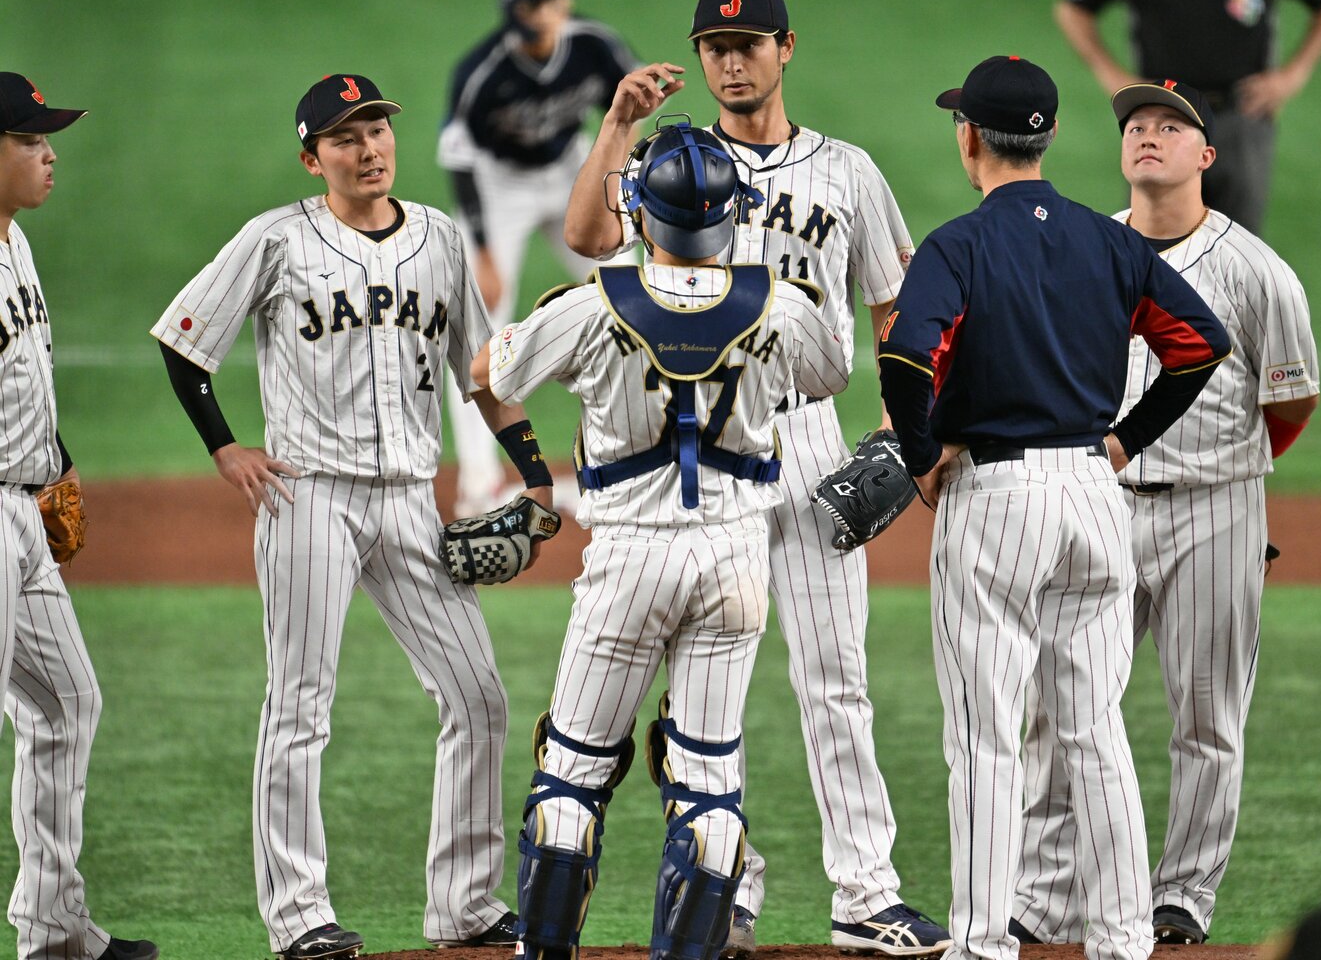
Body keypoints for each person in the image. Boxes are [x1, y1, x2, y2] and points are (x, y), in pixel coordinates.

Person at [562, 0, 949, 957]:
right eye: (714, 47)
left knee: (836, 678)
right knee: (702, 693)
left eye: (748, 44)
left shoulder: (849, 172)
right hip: (698, 444)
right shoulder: (669, 158)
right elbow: (589, 238)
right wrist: (617, 126)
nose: (730, 62)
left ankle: (866, 894)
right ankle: (722, 882)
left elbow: (894, 311)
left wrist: (901, 433)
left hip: (810, 437)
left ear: (786, 49)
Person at [152, 74, 522, 959]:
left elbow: (480, 372)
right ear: (312, 158)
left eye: (378, 130)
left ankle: (465, 905)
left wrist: (536, 472)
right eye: (346, 138)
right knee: (300, 703)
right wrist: (225, 446)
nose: (369, 149)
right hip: (308, 496)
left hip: (410, 501)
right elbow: (184, 338)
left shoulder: (439, 238)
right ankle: (298, 916)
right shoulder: (276, 239)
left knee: (478, 697)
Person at [878, 56, 1232, 960]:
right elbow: (1201, 344)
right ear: (1049, 136)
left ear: (969, 137)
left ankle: (981, 944)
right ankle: (1121, 939)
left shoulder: (958, 245)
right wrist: (1125, 438)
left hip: (995, 502)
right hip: (1094, 497)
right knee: (1095, 730)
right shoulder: (1111, 243)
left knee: (986, 738)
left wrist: (920, 458)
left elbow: (907, 356)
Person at [472, 122, 847, 960]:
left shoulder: (591, 304)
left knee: (572, 775)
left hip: (630, 559)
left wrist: (536, 463)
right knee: (708, 787)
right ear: (733, 213)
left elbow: (486, 374)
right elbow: (829, 377)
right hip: (737, 557)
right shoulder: (785, 305)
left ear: (639, 211)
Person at [1009, 79, 1320, 947]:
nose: (1148, 135)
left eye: (1170, 127)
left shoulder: (1256, 272)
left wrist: (1230, 476)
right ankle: (1045, 895)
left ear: (1206, 155)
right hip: (1099, 507)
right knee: (1059, 704)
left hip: (1215, 512)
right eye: (1136, 125)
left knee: (1207, 717)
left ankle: (1182, 895)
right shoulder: (1084, 249)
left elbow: (1291, 402)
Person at [0, 72, 158, 960]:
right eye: (29, 140)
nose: (49, 153)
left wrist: (54, 462)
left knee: (66, 701)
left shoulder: (15, 239)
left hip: (22, 514)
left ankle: (55, 931)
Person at [439, 0, 638, 517]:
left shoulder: (593, 45)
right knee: (478, 327)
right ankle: (479, 484)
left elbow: (631, 110)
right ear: (517, 8)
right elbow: (458, 158)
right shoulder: (482, 72)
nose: (553, 10)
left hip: (573, 170)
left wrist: (615, 180)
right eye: (540, 2)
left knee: (633, 297)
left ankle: (639, 459)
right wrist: (481, 250)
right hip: (498, 187)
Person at [1054, 0, 1321, 235]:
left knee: (1238, 248)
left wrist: (1294, 74)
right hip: (1163, 118)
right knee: (1152, 245)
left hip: (1241, 117)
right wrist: (1113, 77)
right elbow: (1073, 9)